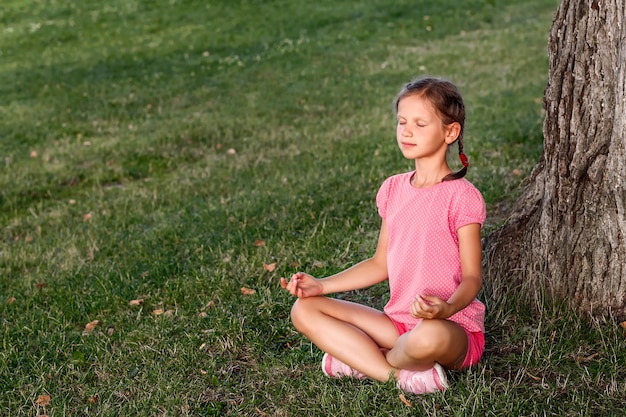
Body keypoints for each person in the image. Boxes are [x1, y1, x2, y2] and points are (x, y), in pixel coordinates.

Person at [280, 76, 486, 395]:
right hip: (396, 324)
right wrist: (322, 285)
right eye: (402, 121)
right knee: (304, 310)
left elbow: (472, 278)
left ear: (450, 132)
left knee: (426, 337)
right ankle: (394, 376)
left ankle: (362, 360)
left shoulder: (462, 197)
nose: (406, 131)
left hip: (450, 329)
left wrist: (444, 310)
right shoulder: (393, 190)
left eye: (420, 123)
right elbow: (380, 264)